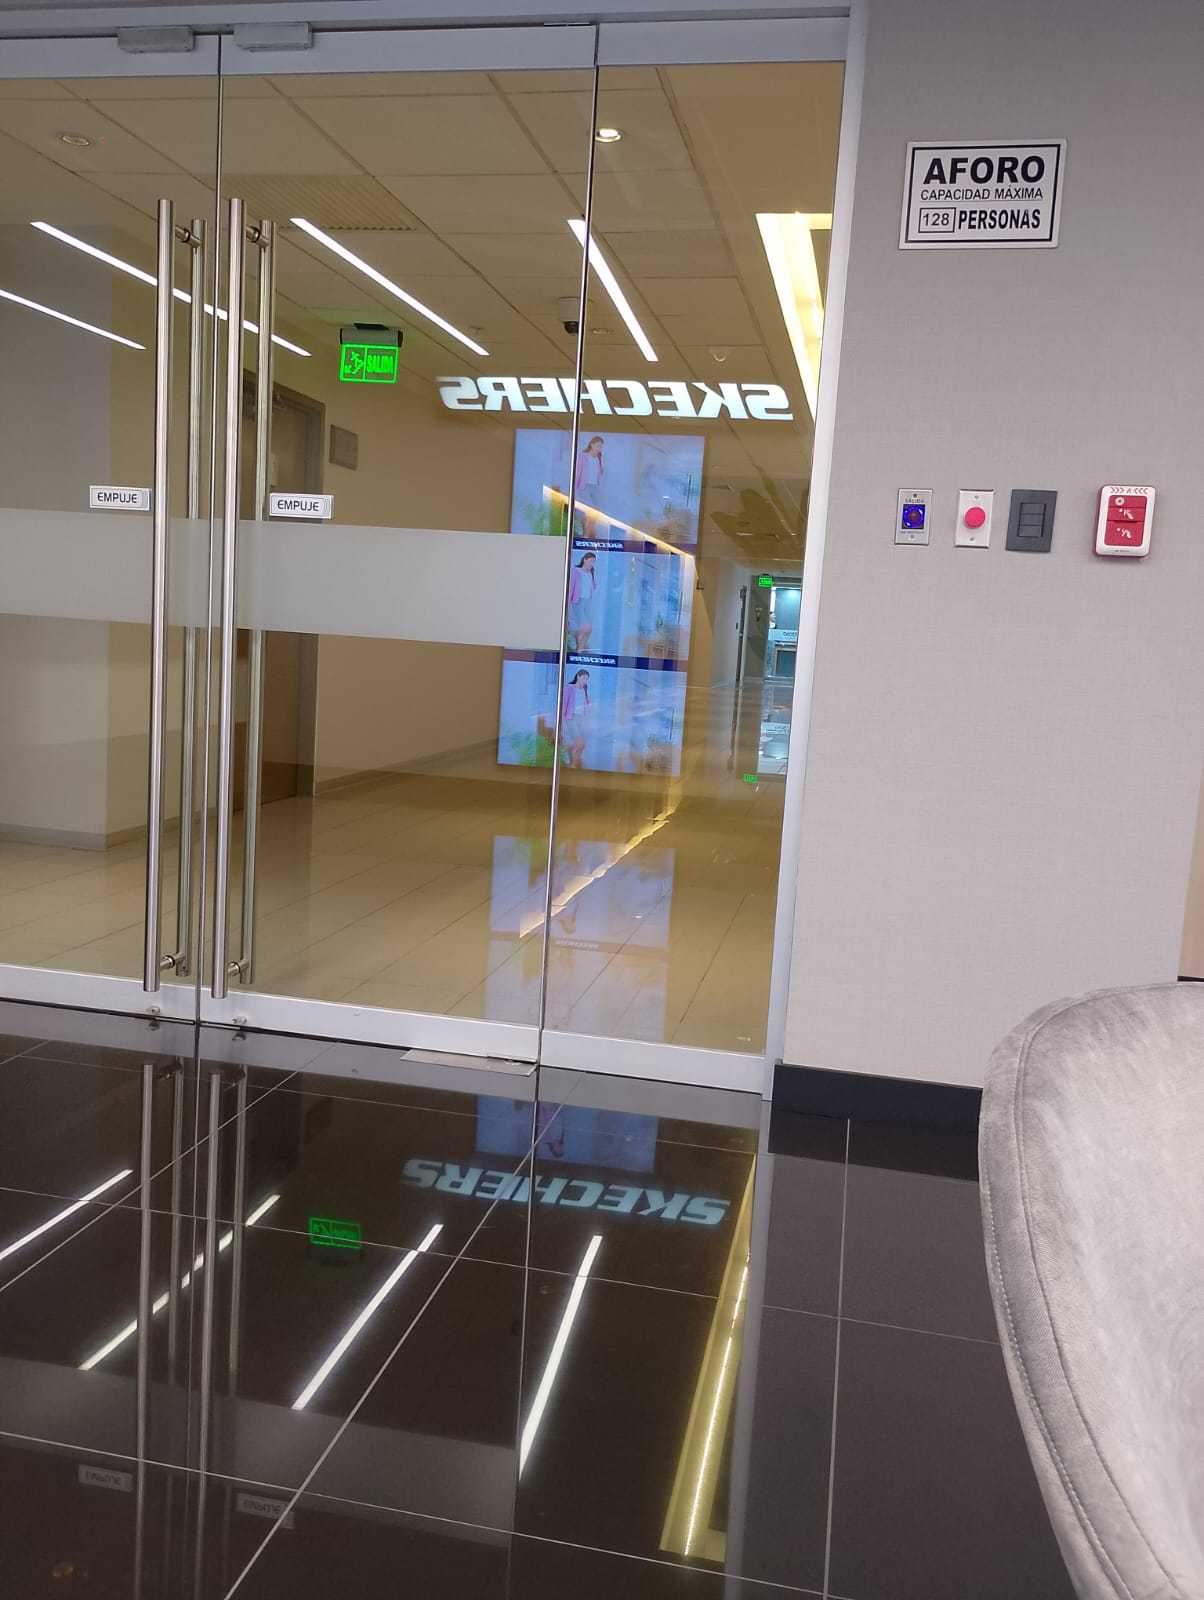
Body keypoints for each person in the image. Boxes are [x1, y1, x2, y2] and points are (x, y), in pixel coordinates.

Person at [566, 552, 597, 652]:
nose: (592, 563)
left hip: (587, 602)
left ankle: (579, 648)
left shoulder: (590, 573)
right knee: (587, 627)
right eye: (591, 561)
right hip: (577, 601)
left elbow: (592, 586)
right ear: (585, 559)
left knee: (586, 628)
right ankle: (579, 648)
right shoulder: (576, 571)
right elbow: (571, 587)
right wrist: (568, 603)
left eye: (593, 562)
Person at [561, 669, 590, 768]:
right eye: (584, 678)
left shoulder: (584, 689)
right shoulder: (569, 688)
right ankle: (573, 764)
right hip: (571, 717)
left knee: (583, 743)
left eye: (587, 679)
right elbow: (564, 703)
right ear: (578, 676)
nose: (585, 680)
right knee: (578, 742)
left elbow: (585, 704)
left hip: (581, 718)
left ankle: (571, 755)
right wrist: (561, 719)